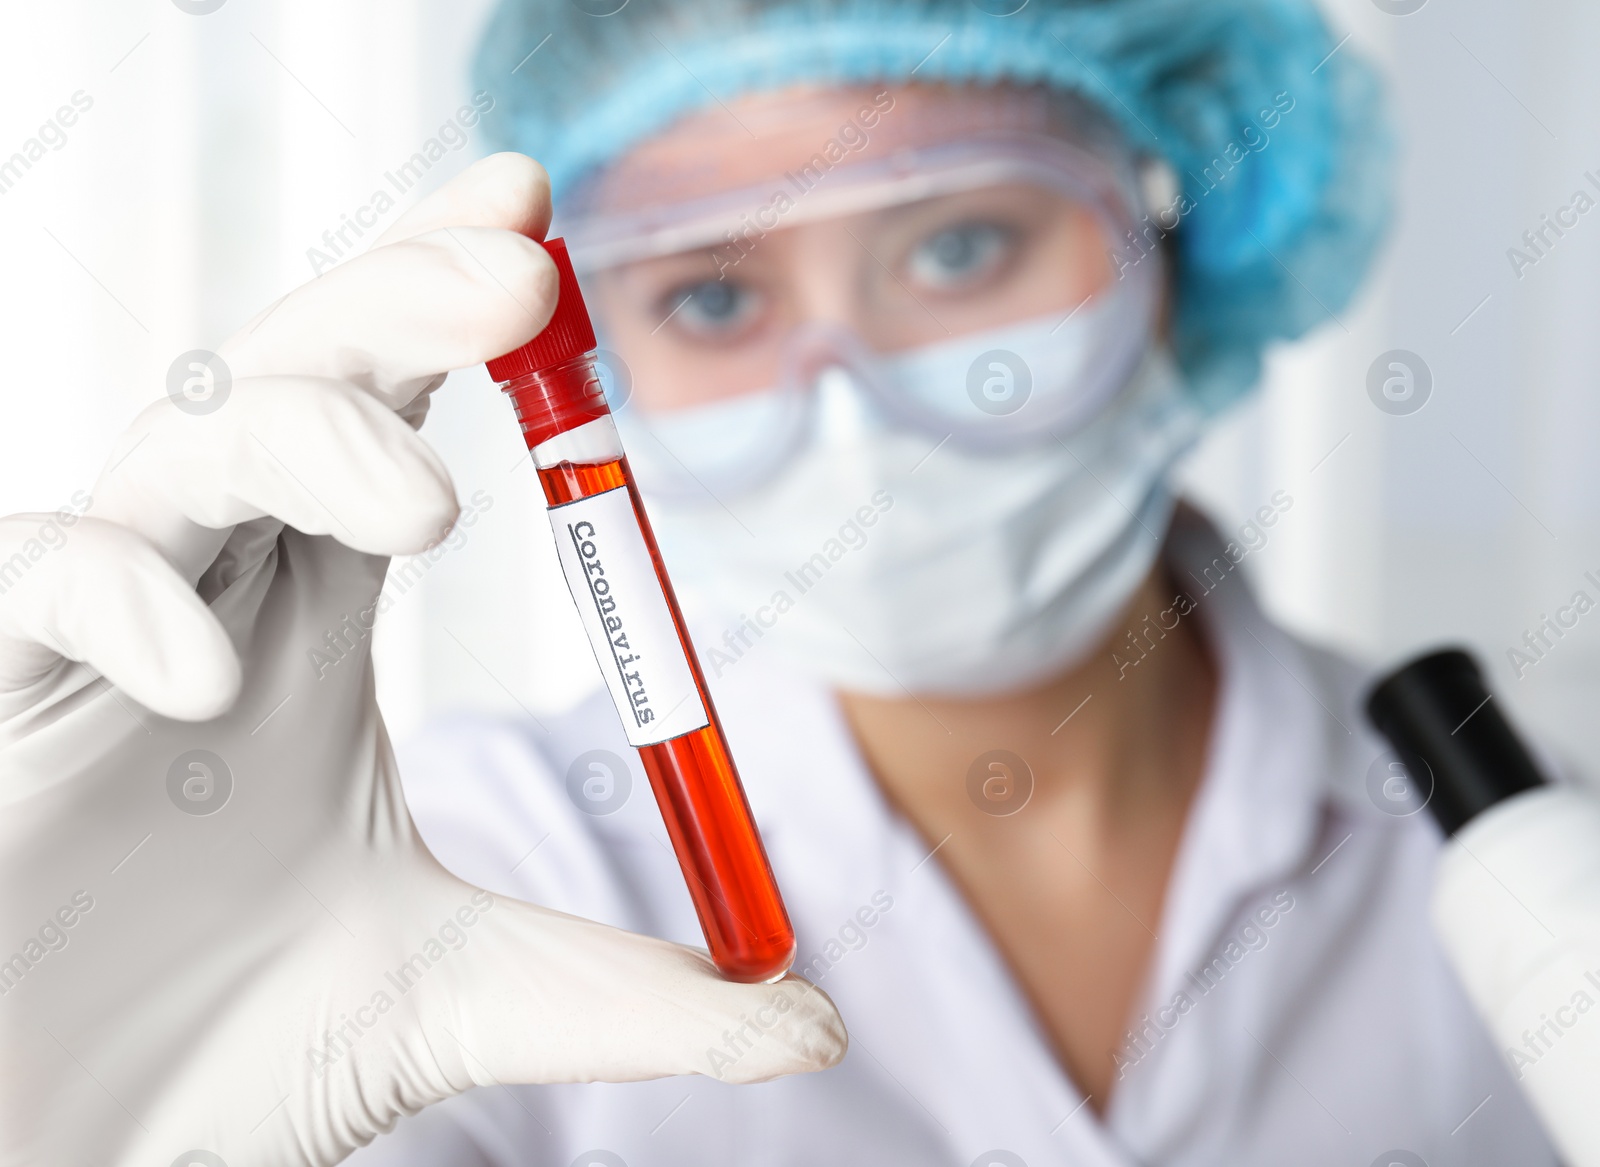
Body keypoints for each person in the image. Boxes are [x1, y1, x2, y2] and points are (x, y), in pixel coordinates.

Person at [0, 7, 1556, 1167]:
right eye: (720, 289)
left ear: (1181, 237)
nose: (848, 394)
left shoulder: (1528, 856)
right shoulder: (460, 876)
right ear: (598, 340)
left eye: (957, 248)